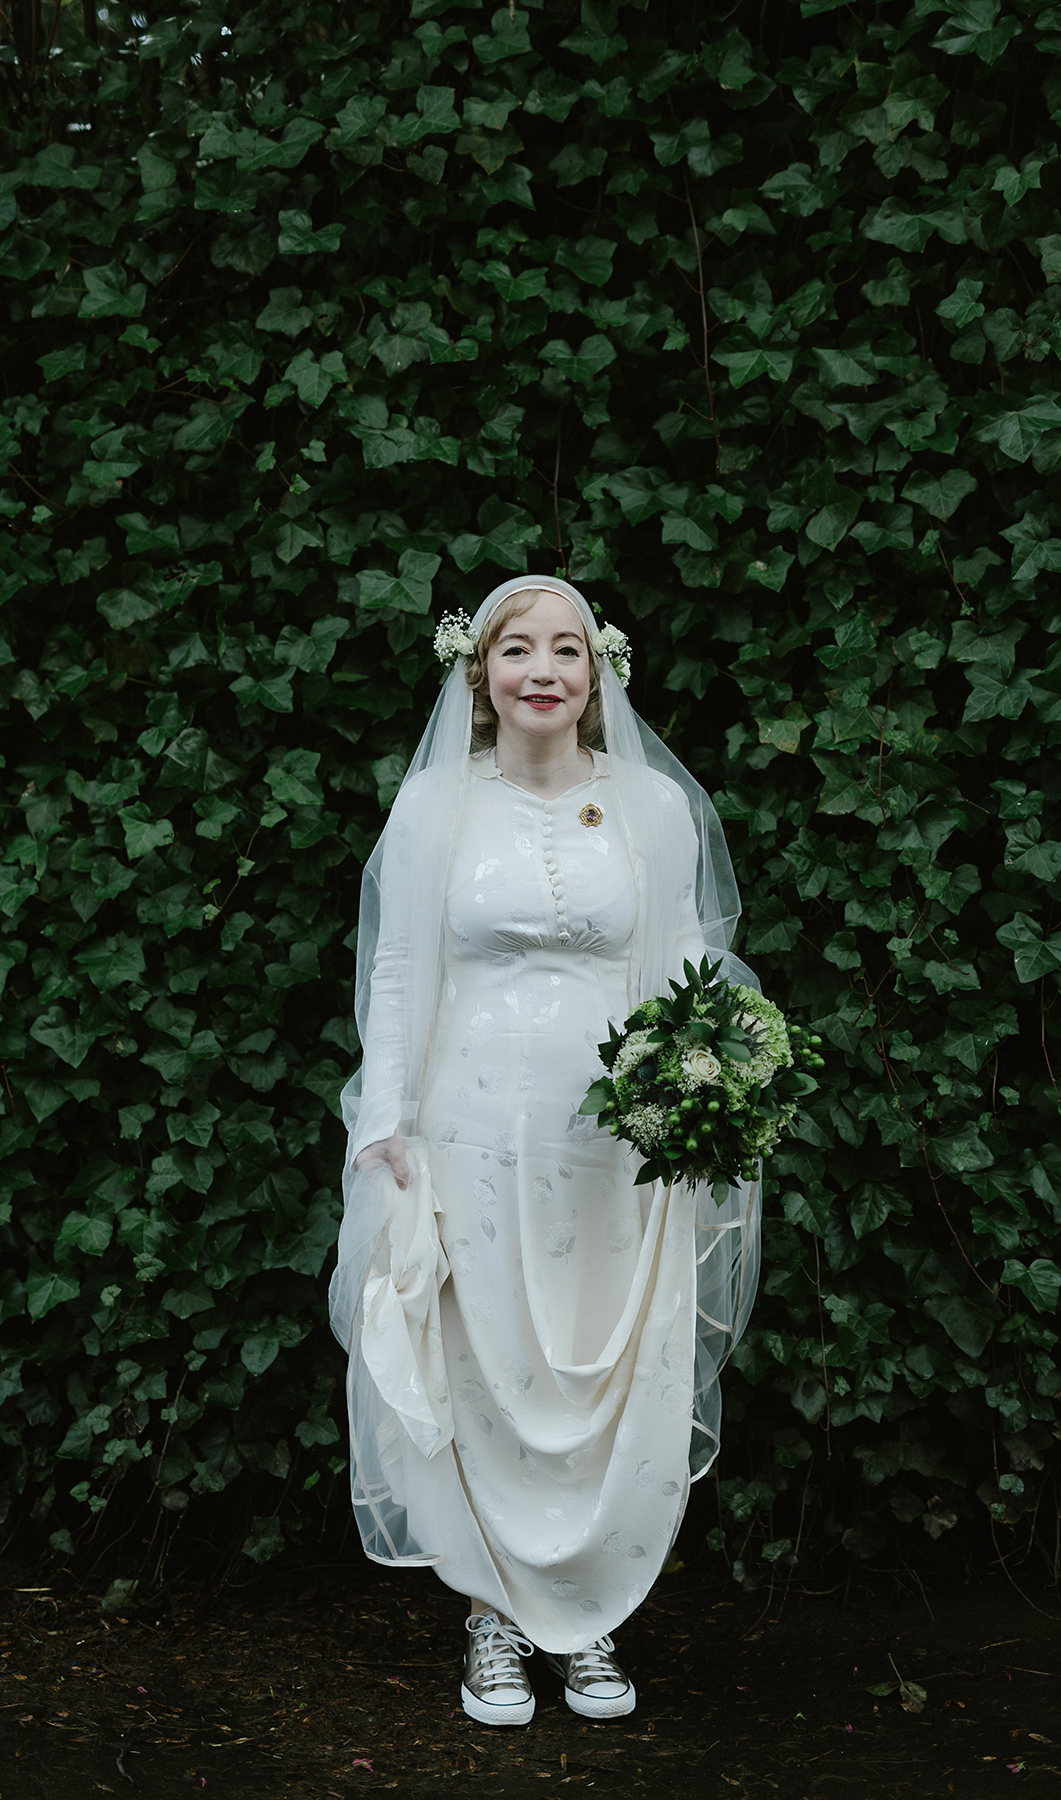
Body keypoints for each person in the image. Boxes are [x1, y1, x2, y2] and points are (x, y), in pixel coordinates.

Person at [329, 575, 761, 1727]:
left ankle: (590, 1613)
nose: (543, 671)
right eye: (518, 649)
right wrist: (386, 1122)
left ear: (597, 672)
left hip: (615, 1141)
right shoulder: (434, 808)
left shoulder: (653, 810)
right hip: (471, 1130)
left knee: (604, 1369)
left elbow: (681, 961)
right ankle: (495, 1622)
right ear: (481, 672)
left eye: (566, 651)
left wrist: (702, 1101)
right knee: (488, 1362)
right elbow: (402, 968)